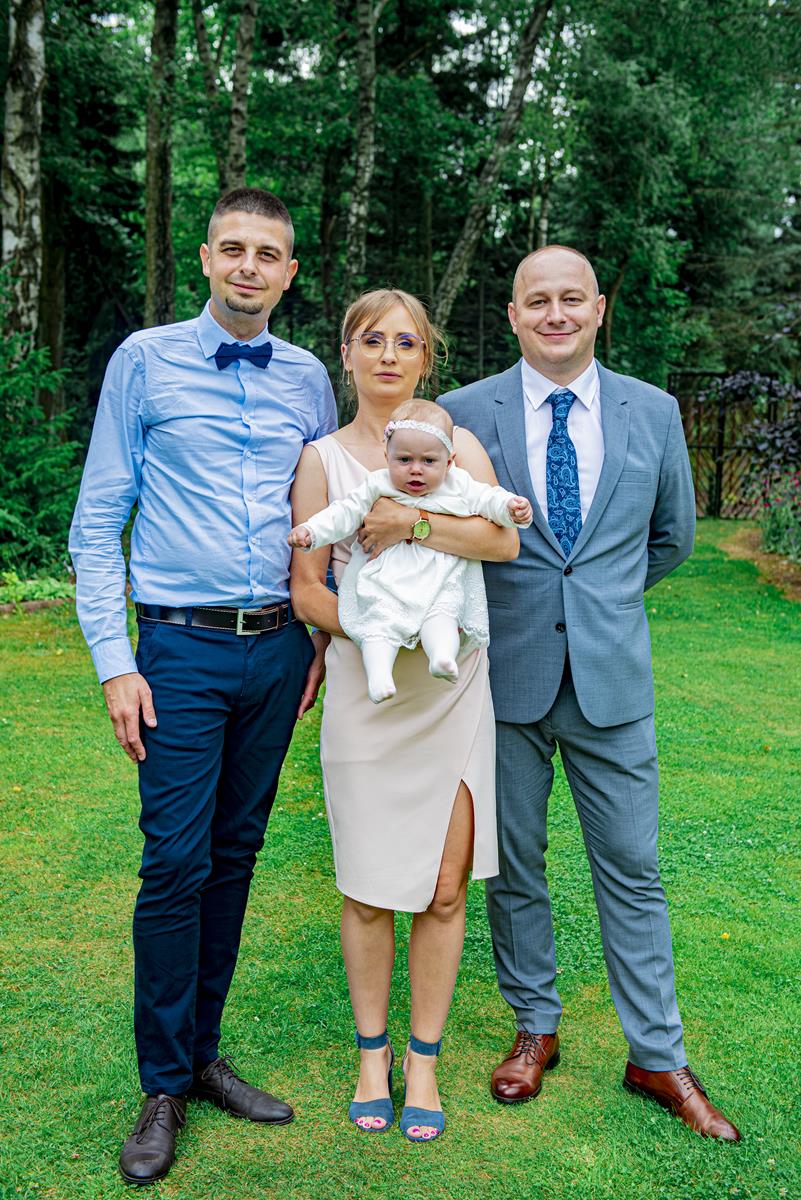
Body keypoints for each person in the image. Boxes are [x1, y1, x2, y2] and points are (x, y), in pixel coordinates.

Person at [440, 245, 741, 1141]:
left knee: (633, 868)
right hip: (503, 678)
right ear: (512, 314)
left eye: (571, 298)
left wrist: (598, 602)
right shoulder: (465, 413)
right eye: (537, 300)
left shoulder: (653, 411)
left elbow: (671, 537)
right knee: (513, 866)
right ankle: (534, 1028)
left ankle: (656, 1054)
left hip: (612, 681)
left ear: (599, 308)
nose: (555, 314)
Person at [69, 188, 337, 1184]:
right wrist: (116, 661)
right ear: (205, 257)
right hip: (177, 651)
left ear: (289, 272)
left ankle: (203, 1054)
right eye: (233, 248)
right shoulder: (143, 360)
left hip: (277, 650)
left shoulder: (309, 377)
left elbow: (326, 510)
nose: (248, 266)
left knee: (234, 854)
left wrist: (321, 636)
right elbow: (99, 520)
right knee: (175, 861)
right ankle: (161, 1086)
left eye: (267, 253)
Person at [289, 289, 518, 1141]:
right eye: (372, 341)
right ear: (346, 353)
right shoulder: (322, 460)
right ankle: (371, 1054)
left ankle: (423, 1060)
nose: (388, 355)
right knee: (365, 886)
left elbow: (501, 541)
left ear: (427, 357)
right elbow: (307, 588)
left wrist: (410, 522)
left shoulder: (457, 446)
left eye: (406, 343)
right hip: (369, 688)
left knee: (444, 887)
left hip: (451, 693)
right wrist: (378, 629)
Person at [288, 399, 533, 702]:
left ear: (449, 462)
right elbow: (343, 514)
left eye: (428, 461)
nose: (416, 470)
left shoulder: (458, 483)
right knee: (378, 624)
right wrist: (311, 532)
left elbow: (488, 499)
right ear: (387, 457)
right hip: (386, 579)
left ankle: (442, 657)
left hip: (439, 576)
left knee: (444, 612)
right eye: (404, 460)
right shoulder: (378, 484)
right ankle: (379, 676)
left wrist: (511, 508)